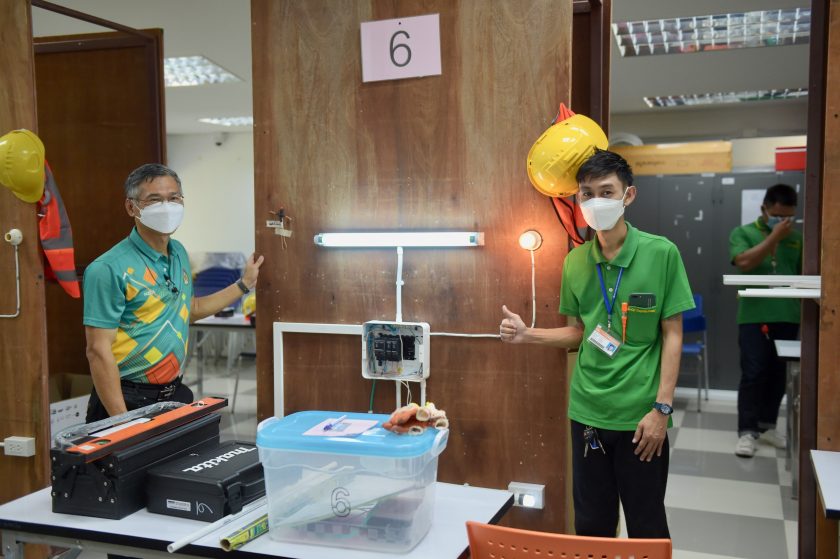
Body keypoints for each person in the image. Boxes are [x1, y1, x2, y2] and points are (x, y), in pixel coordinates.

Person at [499, 150, 694, 538]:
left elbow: (673, 334)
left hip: (641, 417)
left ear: (628, 195)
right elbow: (581, 331)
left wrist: (662, 409)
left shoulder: (661, 253)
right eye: (587, 194)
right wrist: (527, 334)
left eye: (607, 192)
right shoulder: (575, 261)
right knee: (592, 525)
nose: (595, 202)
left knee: (647, 525)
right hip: (588, 412)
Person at [83, 163, 264, 423]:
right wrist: (123, 422)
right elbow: (98, 351)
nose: (166, 207)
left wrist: (244, 284)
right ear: (131, 207)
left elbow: (190, 309)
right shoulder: (107, 268)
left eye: (174, 198)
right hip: (125, 399)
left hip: (173, 393)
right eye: (154, 199)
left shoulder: (178, 252)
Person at [729, 183, 802, 458]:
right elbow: (743, 262)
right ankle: (747, 431)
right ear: (765, 209)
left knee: (779, 375)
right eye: (778, 215)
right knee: (753, 373)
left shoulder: (797, 239)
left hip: (788, 315)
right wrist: (773, 237)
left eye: (789, 217)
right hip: (754, 317)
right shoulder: (743, 233)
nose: (783, 221)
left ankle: (768, 426)